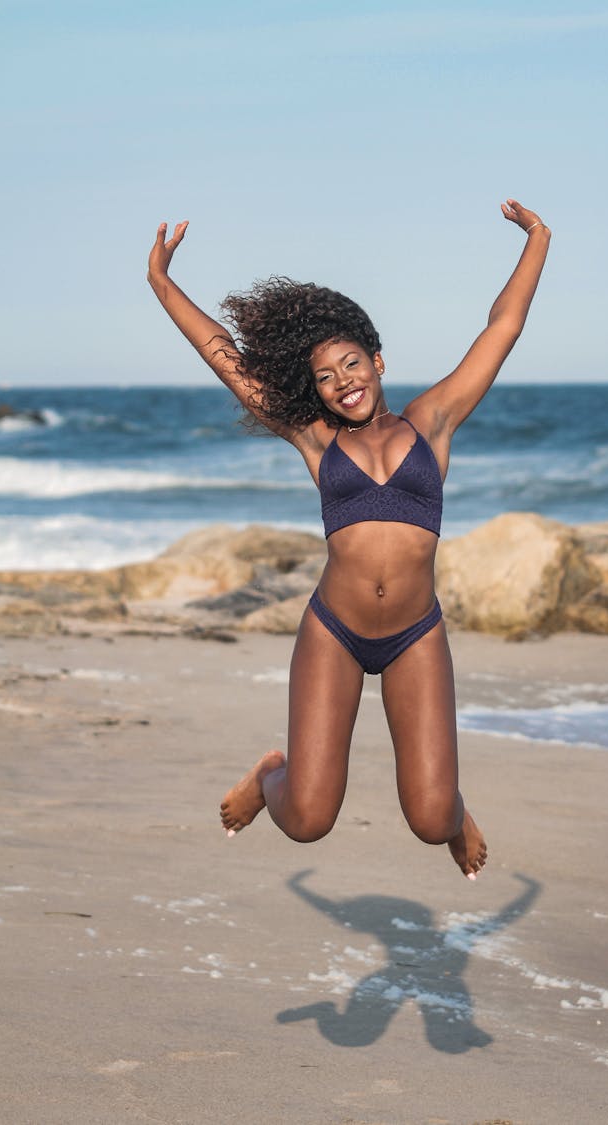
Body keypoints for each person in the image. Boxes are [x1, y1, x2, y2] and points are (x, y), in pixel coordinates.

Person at [147, 200, 550, 879]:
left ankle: (456, 813)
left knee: (431, 818)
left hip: (414, 632)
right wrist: (161, 281)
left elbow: (501, 328)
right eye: (327, 377)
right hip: (334, 630)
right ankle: (270, 772)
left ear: (378, 359)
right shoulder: (316, 438)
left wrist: (537, 238)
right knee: (306, 821)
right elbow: (229, 362)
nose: (343, 382)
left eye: (352, 363)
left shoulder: (433, 421)